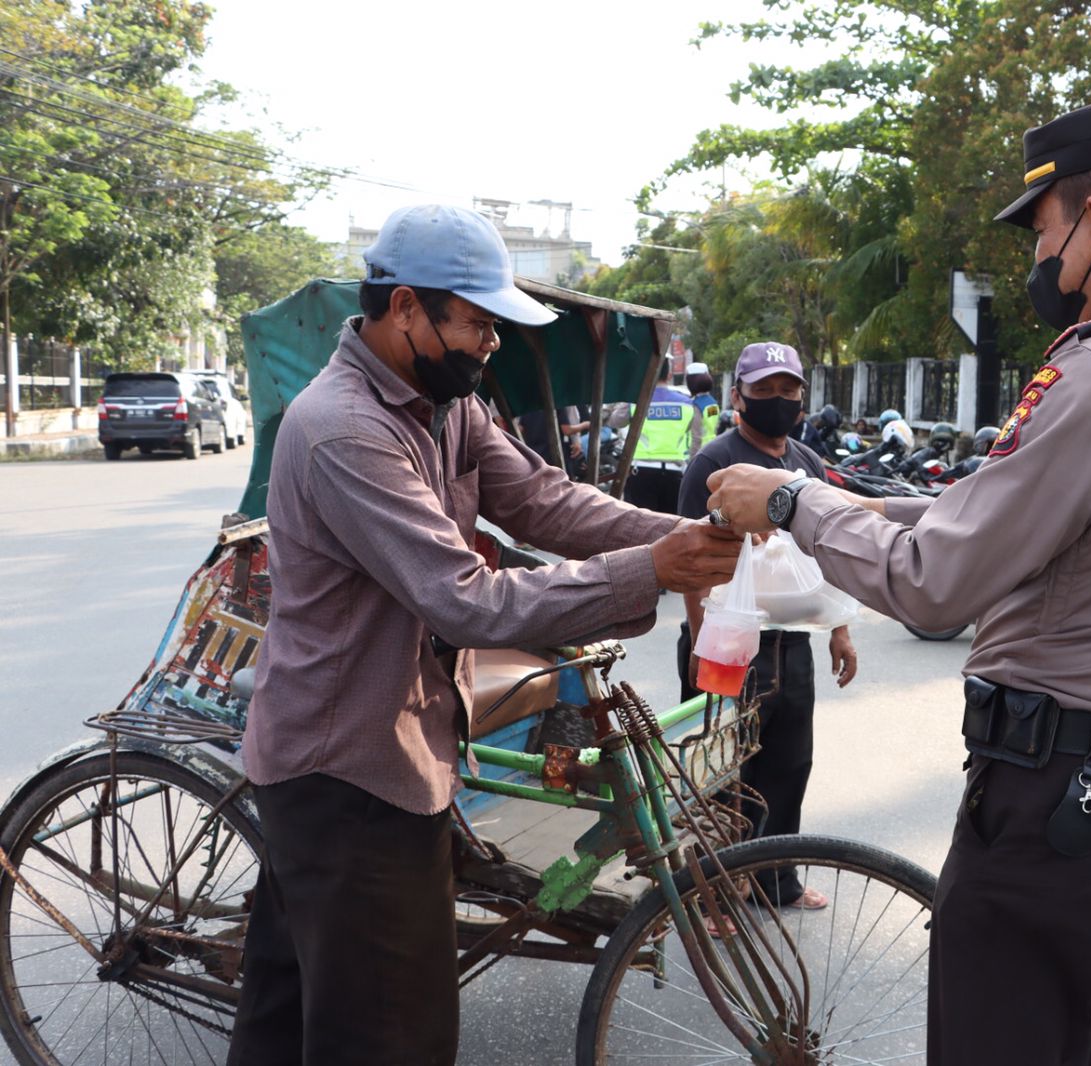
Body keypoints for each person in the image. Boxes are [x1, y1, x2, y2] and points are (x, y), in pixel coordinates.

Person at [703, 98, 1091, 1064]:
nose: (1042, 264)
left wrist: (791, 505)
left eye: (1048, 234)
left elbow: (936, 584)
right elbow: (1017, 518)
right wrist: (851, 503)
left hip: (1073, 802)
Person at [228, 204, 740, 1066]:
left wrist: (673, 534)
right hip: (349, 775)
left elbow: (544, 500)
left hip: (373, 757)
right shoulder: (345, 429)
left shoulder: (442, 402)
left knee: (287, 1021)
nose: (490, 342)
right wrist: (654, 570)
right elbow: (464, 602)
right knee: (391, 1037)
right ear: (404, 310)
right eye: (476, 322)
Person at [677, 341, 858, 910]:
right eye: (764, 391)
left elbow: (830, 554)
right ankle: (712, 896)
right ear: (739, 396)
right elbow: (690, 558)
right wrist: (701, 636)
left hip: (791, 645)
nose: (777, 401)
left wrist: (840, 630)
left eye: (788, 390)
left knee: (786, 766)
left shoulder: (806, 462)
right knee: (721, 771)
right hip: (731, 643)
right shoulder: (714, 462)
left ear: (802, 397)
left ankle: (774, 882)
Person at [623, 358, 700, 513]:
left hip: (642, 474)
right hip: (675, 474)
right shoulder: (687, 404)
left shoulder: (637, 401)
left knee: (639, 529)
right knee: (671, 527)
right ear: (670, 375)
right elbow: (696, 440)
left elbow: (614, 420)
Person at [684, 360, 720, 458]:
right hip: (712, 450)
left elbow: (696, 437)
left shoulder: (696, 405)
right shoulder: (713, 403)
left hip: (699, 454)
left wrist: (692, 461)